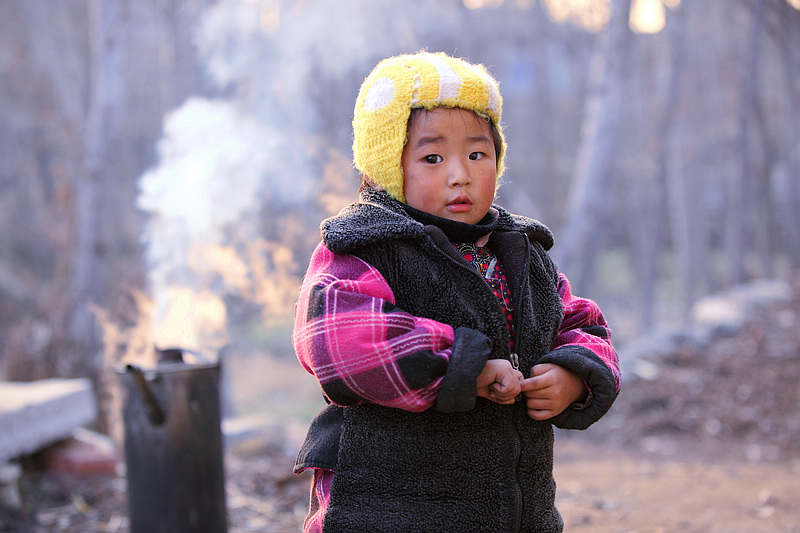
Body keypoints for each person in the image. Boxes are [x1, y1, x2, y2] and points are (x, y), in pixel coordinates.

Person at [291, 51, 621, 533]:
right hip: (385, 508)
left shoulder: (520, 252)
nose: (459, 174)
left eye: (477, 154)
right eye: (432, 157)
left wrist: (573, 374)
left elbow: (581, 324)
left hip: (513, 511)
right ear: (388, 165)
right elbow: (339, 341)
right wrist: (460, 367)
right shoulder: (366, 245)